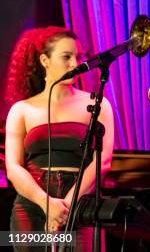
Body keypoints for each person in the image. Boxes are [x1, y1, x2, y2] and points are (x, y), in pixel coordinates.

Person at [4, 27, 114, 251]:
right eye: (66, 57)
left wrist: (65, 205)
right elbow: (13, 168)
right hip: (32, 204)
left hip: (81, 202)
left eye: (79, 56)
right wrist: (46, 203)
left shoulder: (98, 104)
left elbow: (102, 162)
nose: (75, 63)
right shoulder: (21, 110)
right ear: (45, 60)